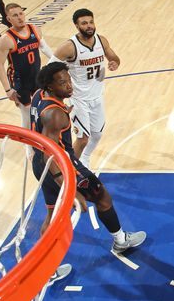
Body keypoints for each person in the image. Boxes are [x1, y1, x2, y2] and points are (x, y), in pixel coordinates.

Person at [31, 62, 146, 280]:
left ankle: (47, 268)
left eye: (68, 80)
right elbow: (51, 152)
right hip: (60, 164)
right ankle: (121, 241)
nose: (69, 85)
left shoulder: (39, 95)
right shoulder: (55, 115)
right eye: (62, 83)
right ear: (50, 86)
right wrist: (70, 188)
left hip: (40, 164)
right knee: (102, 196)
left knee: (53, 214)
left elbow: (43, 147)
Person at [51, 8, 120, 168]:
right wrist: (60, 94)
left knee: (97, 134)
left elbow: (114, 58)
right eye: (84, 23)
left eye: (91, 22)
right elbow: (49, 70)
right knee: (82, 139)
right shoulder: (69, 47)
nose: (89, 26)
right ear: (77, 26)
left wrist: (114, 62)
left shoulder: (101, 41)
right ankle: (71, 170)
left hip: (97, 96)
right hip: (79, 99)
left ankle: (85, 158)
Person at [0, 3, 55, 128]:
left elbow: (44, 47)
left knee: (43, 108)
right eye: (15, 15)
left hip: (36, 76)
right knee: (27, 115)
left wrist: (59, 62)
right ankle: (28, 147)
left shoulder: (35, 29)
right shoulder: (6, 39)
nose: (20, 17)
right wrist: (8, 90)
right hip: (19, 81)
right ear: (8, 19)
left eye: (21, 13)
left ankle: (42, 139)